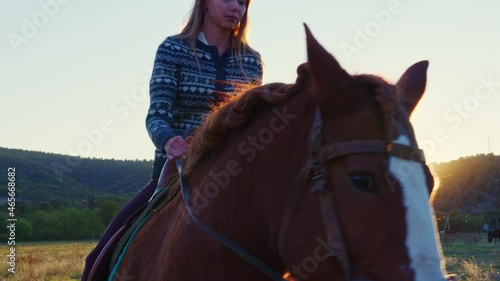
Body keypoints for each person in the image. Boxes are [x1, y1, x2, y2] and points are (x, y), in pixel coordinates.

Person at [82, 0, 263, 279]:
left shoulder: (251, 61)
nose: (235, 7)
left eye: (242, 2)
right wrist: (169, 141)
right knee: (97, 259)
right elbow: (156, 114)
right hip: (173, 176)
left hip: (233, 179)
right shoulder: (173, 49)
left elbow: (250, 125)